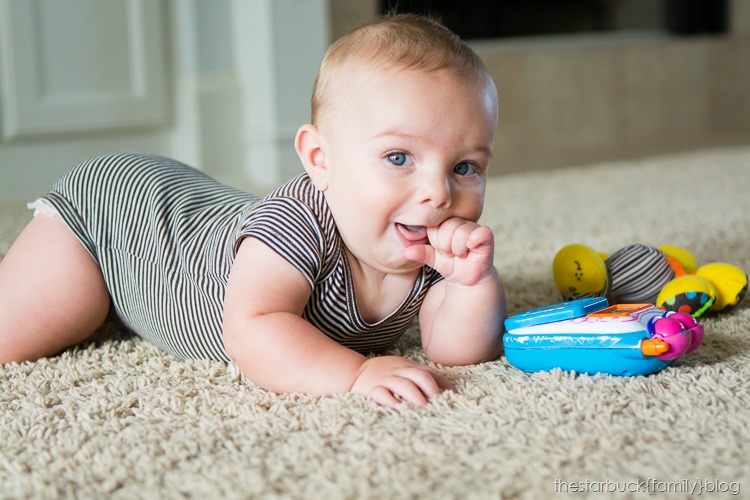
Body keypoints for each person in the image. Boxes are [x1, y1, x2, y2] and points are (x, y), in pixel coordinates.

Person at [0, 14, 505, 409]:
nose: (438, 193)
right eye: (399, 158)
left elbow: (454, 353)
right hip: (118, 219)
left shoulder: (427, 241)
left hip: (189, 207)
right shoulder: (295, 225)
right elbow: (252, 329)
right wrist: (354, 374)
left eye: (464, 167)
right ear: (320, 161)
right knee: (30, 325)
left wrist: (470, 285)